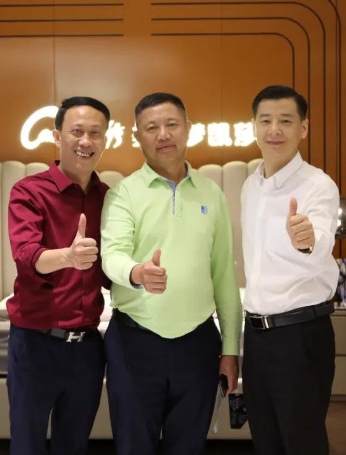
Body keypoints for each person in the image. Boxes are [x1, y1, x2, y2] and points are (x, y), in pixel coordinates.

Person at [100, 92, 242, 455]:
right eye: (151, 128)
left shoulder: (212, 193)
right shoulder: (123, 193)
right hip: (134, 342)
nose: (163, 134)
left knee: (189, 446)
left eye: (171, 124)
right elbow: (111, 255)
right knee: (133, 446)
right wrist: (137, 273)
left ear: (188, 128)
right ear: (137, 137)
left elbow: (224, 277)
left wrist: (230, 350)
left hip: (198, 342)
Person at [6, 96, 111, 455]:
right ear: (56, 135)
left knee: (75, 445)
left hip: (88, 347)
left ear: (105, 140)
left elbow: (112, 269)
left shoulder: (108, 198)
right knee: (27, 444)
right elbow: (26, 256)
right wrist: (68, 256)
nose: (86, 141)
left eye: (95, 133)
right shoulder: (28, 191)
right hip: (36, 342)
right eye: (76, 131)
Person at [240, 85, 340, 455]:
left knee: (302, 442)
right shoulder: (251, 185)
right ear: (254, 126)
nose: (274, 130)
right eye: (265, 120)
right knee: (265, 438)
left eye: (285, 120)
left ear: (304, 128)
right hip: (257, 336)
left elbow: (321, 240)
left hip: (300, 334)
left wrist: (307, 239)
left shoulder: (317, 184)